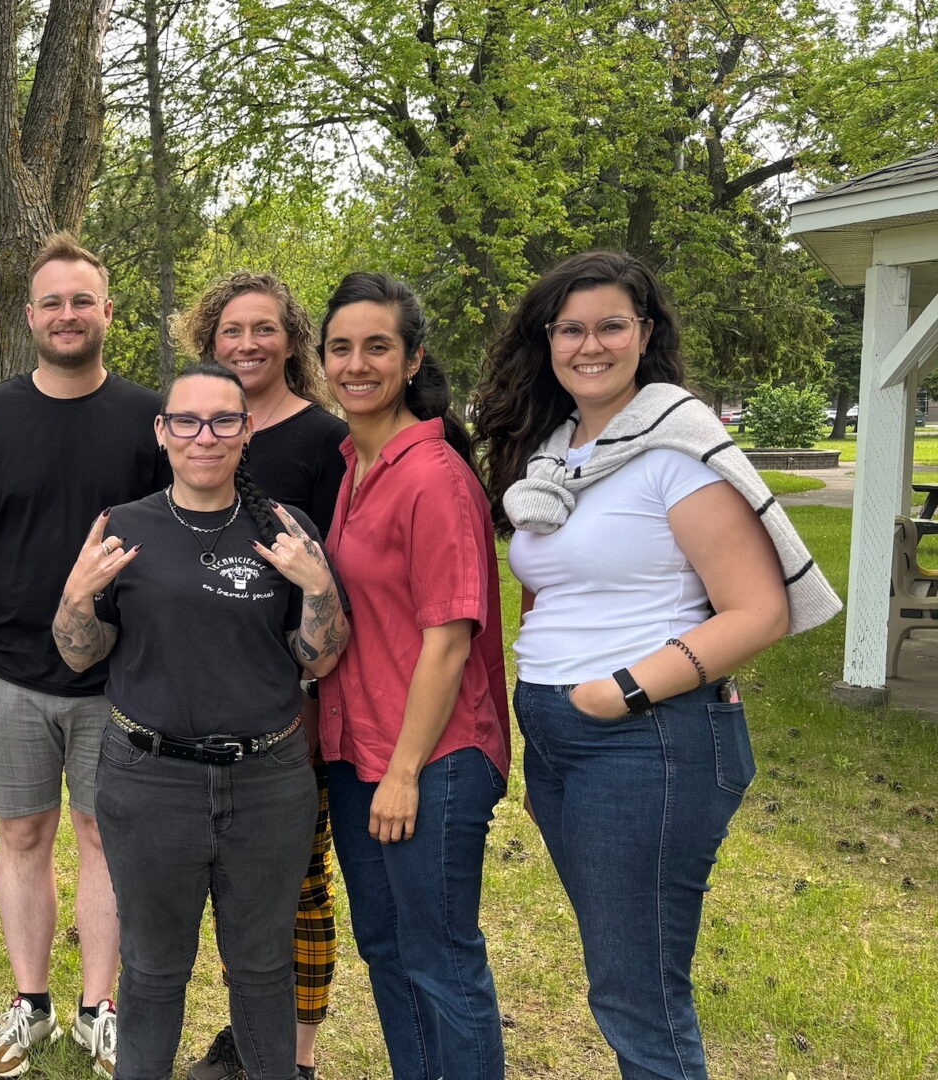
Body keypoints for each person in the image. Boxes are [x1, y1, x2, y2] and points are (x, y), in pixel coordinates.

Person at [471, 251, 838, 1079]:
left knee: (637, 991)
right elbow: (560, 585)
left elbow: (759, 609)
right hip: (565, 738)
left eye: (610, 325)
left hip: (648, 736)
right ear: (548, 340)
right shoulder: (560, 448)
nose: (589, 345)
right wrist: (555, 728)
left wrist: (617, 693)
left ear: (646, 335)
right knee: (621, 971)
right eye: (571, 328)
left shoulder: (677, 445)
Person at [52, 363, 348, 1080]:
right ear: (162, 432)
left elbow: (322, 655)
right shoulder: (124, 529)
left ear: (246, 431)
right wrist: (76, 598)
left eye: (223, 420)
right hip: (150, 780)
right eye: (186, 420)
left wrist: (316, 588)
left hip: (268, 783)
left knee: (261, 969)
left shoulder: (285, 529)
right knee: (153, 970)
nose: (204, 435)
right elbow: (79, 656)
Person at [0, 233, 164, 1079]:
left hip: (122, 675)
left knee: (104, 837)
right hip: (8, 669)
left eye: (84, 300)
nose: (68, 315)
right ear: (30, 315)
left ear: (108, 312)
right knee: (22, 832)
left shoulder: (151, 419)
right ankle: (31, 1003)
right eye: (52, 302)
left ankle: (97, 1008)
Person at [314, 272, 509, 1080]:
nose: (357, 364)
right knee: (389, 951)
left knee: (440, 960)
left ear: (413, 356)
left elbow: (450, 640)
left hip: (428, 761)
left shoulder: (432, 476)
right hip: (361, 754)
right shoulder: (355, 466)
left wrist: (402, 774)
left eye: (378, 347)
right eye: (341, 348)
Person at [175, 272, 348, 1080]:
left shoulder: (323, 441)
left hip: (300, 696)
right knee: (232, 888)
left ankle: (296, 1055)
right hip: (212, 699)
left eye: (265, 329)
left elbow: (336, 577)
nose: (248, 343)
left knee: (297, 885)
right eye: (232, 330)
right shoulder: (197, 425)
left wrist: (314, 690)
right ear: (210, 341)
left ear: (292, 341)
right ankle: (248, 1029)